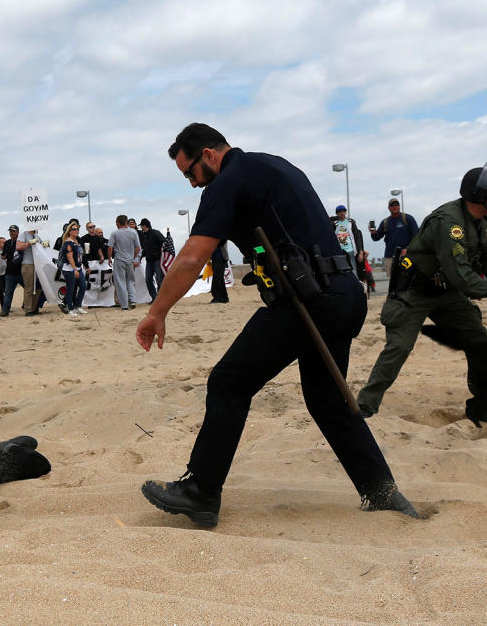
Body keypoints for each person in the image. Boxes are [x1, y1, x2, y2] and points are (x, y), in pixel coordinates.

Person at [137, 123, 419, 527]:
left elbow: (190, 258)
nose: (193, 185)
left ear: (209, 155)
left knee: (228, 383)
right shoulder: (275, 166)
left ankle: (200, 491)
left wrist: (157, 312)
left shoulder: (227, 182)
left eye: (191, 173)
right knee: (328, 401)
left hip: (310, 300)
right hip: (344, 293)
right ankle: (384, 494)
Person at [356, 165, 487, 422]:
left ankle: (483, 404)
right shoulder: (449, 224)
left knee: (479, 340)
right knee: (399, 347)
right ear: (480, 195)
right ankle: (365, 407)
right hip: (414, 291)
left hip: (446, 292)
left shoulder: (483, 222)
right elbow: (463, 277)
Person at [369, 198, 418, 279]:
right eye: (392, 205)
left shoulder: (408, 218)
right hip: (390, 257)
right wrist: (373, 233)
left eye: (396, 205)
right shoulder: (385, 222)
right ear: (389, 208)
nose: (394, 207)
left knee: (408, 278)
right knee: (392, 282)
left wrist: (407, 248)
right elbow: (376, 238)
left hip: (406, 256)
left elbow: (416, 235)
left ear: (399, 206)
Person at [108, 215, 142, 310]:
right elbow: (138, 248)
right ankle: (133, 300)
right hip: (130, 260)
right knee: (130, 280)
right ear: (126, 222)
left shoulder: (115, 233)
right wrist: (133, 257)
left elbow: (110, 247)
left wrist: (109, 258)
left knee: (120, 282)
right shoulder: (134, 232)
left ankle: (124, 305)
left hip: (119, 259)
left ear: (117, 223)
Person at [60, 222, 88, 315]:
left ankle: (78, 306)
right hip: (70, 269)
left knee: (83, 286)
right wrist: (75, 269)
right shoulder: (68, 242)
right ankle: (70, 309)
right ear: (69, 231)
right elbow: (70, 257)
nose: (76, 231)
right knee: (70, 289)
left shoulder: (76, 241)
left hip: (78, 267)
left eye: (77, 229)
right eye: (74, 229)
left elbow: (78, 255)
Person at [16, 228, 43, 316]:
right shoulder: (24, 234)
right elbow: (18, 246)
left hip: (37, 265)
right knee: (29, 288)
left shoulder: (37, 236)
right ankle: (28, 309)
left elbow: (43, 248)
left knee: (38, 287)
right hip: (28, 264)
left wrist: (45, 244)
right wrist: (29, 243)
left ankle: (34, 307)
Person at [331, 205, 366, 272]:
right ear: (336, 213)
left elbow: (357, 237)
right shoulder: (333, 224)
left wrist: (361, 252)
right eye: (339, 211)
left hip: (350, 251)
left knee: (353, 271)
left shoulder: (351, 222)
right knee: (342, 271)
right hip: (340, 252)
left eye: (343, 211)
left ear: (346, 212)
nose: (342, 213)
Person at [0, 225, 22, 316]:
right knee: (8, 292)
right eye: (10, 231)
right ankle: (5, 311)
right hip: (10, 272)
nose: (11, 232)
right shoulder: (7, 243)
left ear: (18, 232)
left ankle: (30, 308)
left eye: (13, 231)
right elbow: (3, 256)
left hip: (21, 272)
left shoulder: (21, 242)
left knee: (28, 290)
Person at [139, 218, 165, 300]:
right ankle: (154, 298)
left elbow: (164, 242)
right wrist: (140, 257)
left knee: (159, 280)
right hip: (149, 261)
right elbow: (145, 249)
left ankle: (160, 298)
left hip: (157, 260)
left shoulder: (155, 233)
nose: (141, 228)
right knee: (148, 280)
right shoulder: (145, 235)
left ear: (144, 225)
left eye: (141, 226)